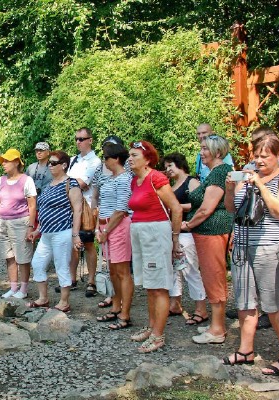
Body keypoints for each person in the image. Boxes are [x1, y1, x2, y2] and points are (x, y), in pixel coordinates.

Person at [223, 134, 279, 375]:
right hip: (242, 244)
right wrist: (230, 188)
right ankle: (245, 350)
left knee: (275, 304)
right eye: (255, 156)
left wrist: (260, 184)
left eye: (264, 156)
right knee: (244, 300)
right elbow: (232, 208)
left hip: (270, 247)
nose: (258, 161)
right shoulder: (248, 173)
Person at [127, 140, 182, 353]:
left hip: (155, 233)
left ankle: (159, 335)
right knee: (150, 283)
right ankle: (151, 327)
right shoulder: (136, 181)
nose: (130, 159)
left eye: (134, 155)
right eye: (130, 155)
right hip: (140, 232)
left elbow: (176, 208)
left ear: (147, 159)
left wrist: (175, 238)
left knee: (159, 285)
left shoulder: (156, 178)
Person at [181, 134, 234, 345]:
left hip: (212, 232)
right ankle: (215, 324)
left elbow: (206, 208)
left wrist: (188, 224)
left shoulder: (220, 172)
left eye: (205, 149)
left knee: (214, 277)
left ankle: (217, 329)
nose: (201, 153)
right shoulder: (214, 172)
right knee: (211, 277)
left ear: (218, 152)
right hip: (206, 233)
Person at [26, 151, 83, 312]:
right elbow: (43, 208)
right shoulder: (49, 185)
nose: (50, 165)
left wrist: (75, 234)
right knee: (37, 263)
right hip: (46, 233)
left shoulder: (71, 184)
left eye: (53, 163)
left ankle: (64, 302)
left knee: (61, 265)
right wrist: (37, 229)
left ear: (64, 165)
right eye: (49, 163)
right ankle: (43, 298)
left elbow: (77, 210)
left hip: (63, 231)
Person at [162, 153, 208, 324]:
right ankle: (175, 303)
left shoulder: (192, 182)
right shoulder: (171, 185)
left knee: (190, 270)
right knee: (174, 269)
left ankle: (201, 308)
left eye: (170, 165)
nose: (168, 169)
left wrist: (177, 207)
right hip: (173, 232)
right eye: (166, 167)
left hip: (188, 231)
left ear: (179, 164)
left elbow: (200, 204)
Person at [93, 143, 134, 329]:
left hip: (117, 226)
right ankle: (116, 306)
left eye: (106, 158)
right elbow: (101, 205)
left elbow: (121, 208)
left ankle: (125, 313)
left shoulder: (125, 179)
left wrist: (107, 230)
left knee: (122, 271)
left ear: (116, 159)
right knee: (112, 270)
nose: (104, 161)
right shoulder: (109, 179)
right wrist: (98, 229)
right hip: (105, 226)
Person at [0, 149, 37, 299]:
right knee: (8, 256)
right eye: (3, 161)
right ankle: (13, 287)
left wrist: (31, 226)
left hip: (20, 222)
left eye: (7, 161)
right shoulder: (1, 180)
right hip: (3, 222)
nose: (3, 164)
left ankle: (23, 289)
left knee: (22, 256)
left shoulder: (26, 180)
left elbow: (32, 206)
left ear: (16, 162)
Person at [67, 127, 102, 297]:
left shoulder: (95, 161)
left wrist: (71, 183)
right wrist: (72, 183)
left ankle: (92, 281)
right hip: (71, 206)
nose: (78, 142)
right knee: (72, 241)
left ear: (90, 140)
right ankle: (71, 279)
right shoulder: (73, 160)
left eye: (81, 139)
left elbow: (81, 183)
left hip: (87, 206)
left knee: (88, 243)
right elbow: (69, 182)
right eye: (76, 139)